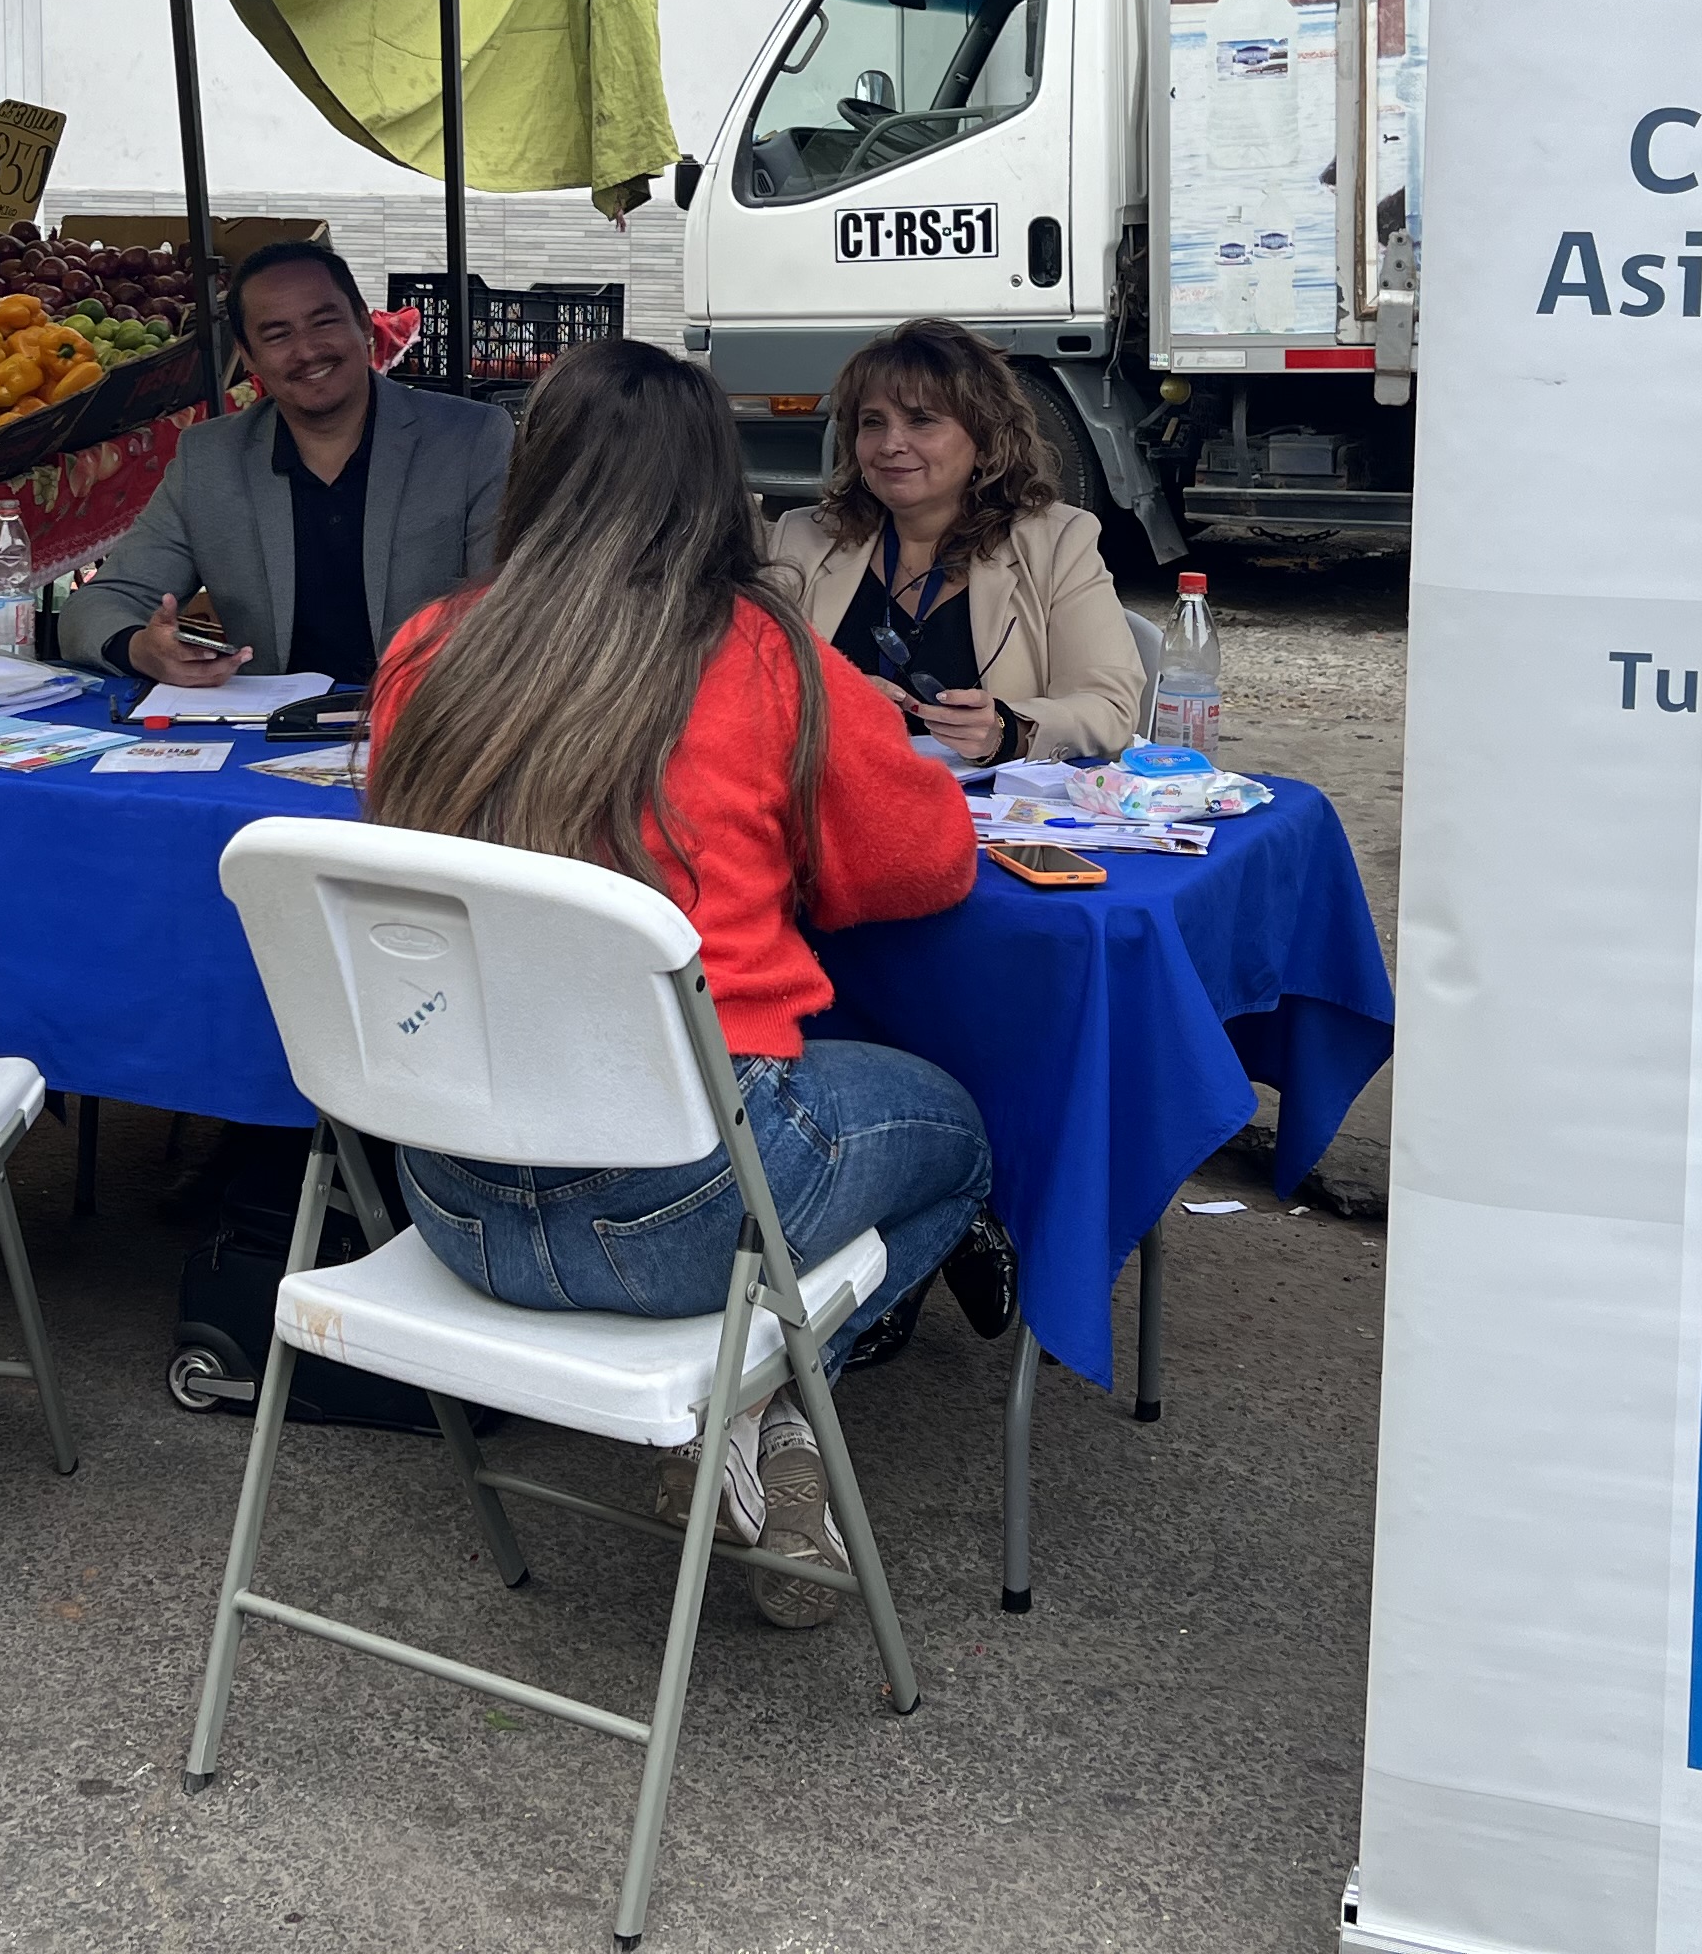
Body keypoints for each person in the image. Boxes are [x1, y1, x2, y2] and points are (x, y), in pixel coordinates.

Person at [368, 336, 1017, 1627]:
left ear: (534, 472)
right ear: (717, 486)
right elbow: (928, 864)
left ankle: (740, 1421)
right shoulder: (767, 658)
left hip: (449, 1202)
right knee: (957, 1136)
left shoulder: (428, 649)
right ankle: (760, 1400)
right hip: (688, 1208)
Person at [56, 240, 510, 688]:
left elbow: (512, 609)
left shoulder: (470, 440)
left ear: (364, 323)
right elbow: (99, 605)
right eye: (278, 335)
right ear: (248, 355)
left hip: (427, 725)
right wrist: (143, 650)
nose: (308, 351)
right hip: (267, 735)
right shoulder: (211, 459)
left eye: (324, 322)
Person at [765, 318, 1151, 763]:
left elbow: (1110, 704)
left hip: (982, 817)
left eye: (922, 420)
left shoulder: (1057, 544)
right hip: (830, 799)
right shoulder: (802, 539)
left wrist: (1007, 729)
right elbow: (735, 686)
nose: (891, 443)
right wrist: (817, 700)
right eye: (873, 422)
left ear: (985, 442)